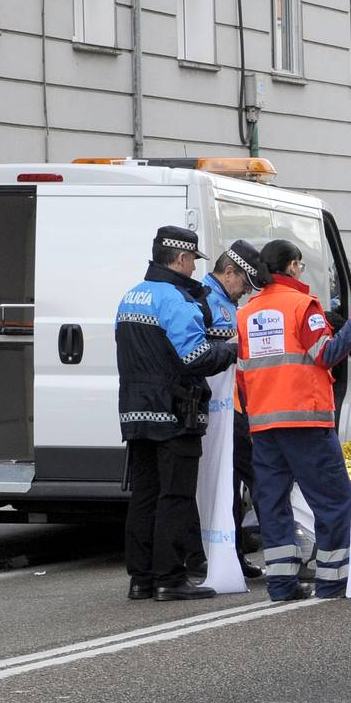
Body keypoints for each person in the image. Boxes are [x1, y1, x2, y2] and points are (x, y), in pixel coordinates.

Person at [236, 240, 351, 601]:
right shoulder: (303, 305)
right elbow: (326, 353)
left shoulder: (246, 313)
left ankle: (282, 585)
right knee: (333, 499)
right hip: (305, 421)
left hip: (264, 424)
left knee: (272, 504)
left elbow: (242, 375)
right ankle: (332, 580)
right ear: (294, 266)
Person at [115, 226, 236, 602]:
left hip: (135, 412)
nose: (192, 268)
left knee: (145, 495)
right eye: (192, 261)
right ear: (182, 259)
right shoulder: (176, 301)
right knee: (176, 496)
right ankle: (170, 578)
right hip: (175, 412)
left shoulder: (130, 296)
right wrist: (232, 350)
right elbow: (194, 357)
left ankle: (141, 579)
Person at [201, 240, 268, 580]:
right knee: (250, 478)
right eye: (244, 284)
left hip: (236, 408)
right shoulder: (207, 301)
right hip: (224, 411)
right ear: (230, 272)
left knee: (234, 484)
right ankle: (235, 554)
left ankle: (234, 555)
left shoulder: (223, 300)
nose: (245, 293)